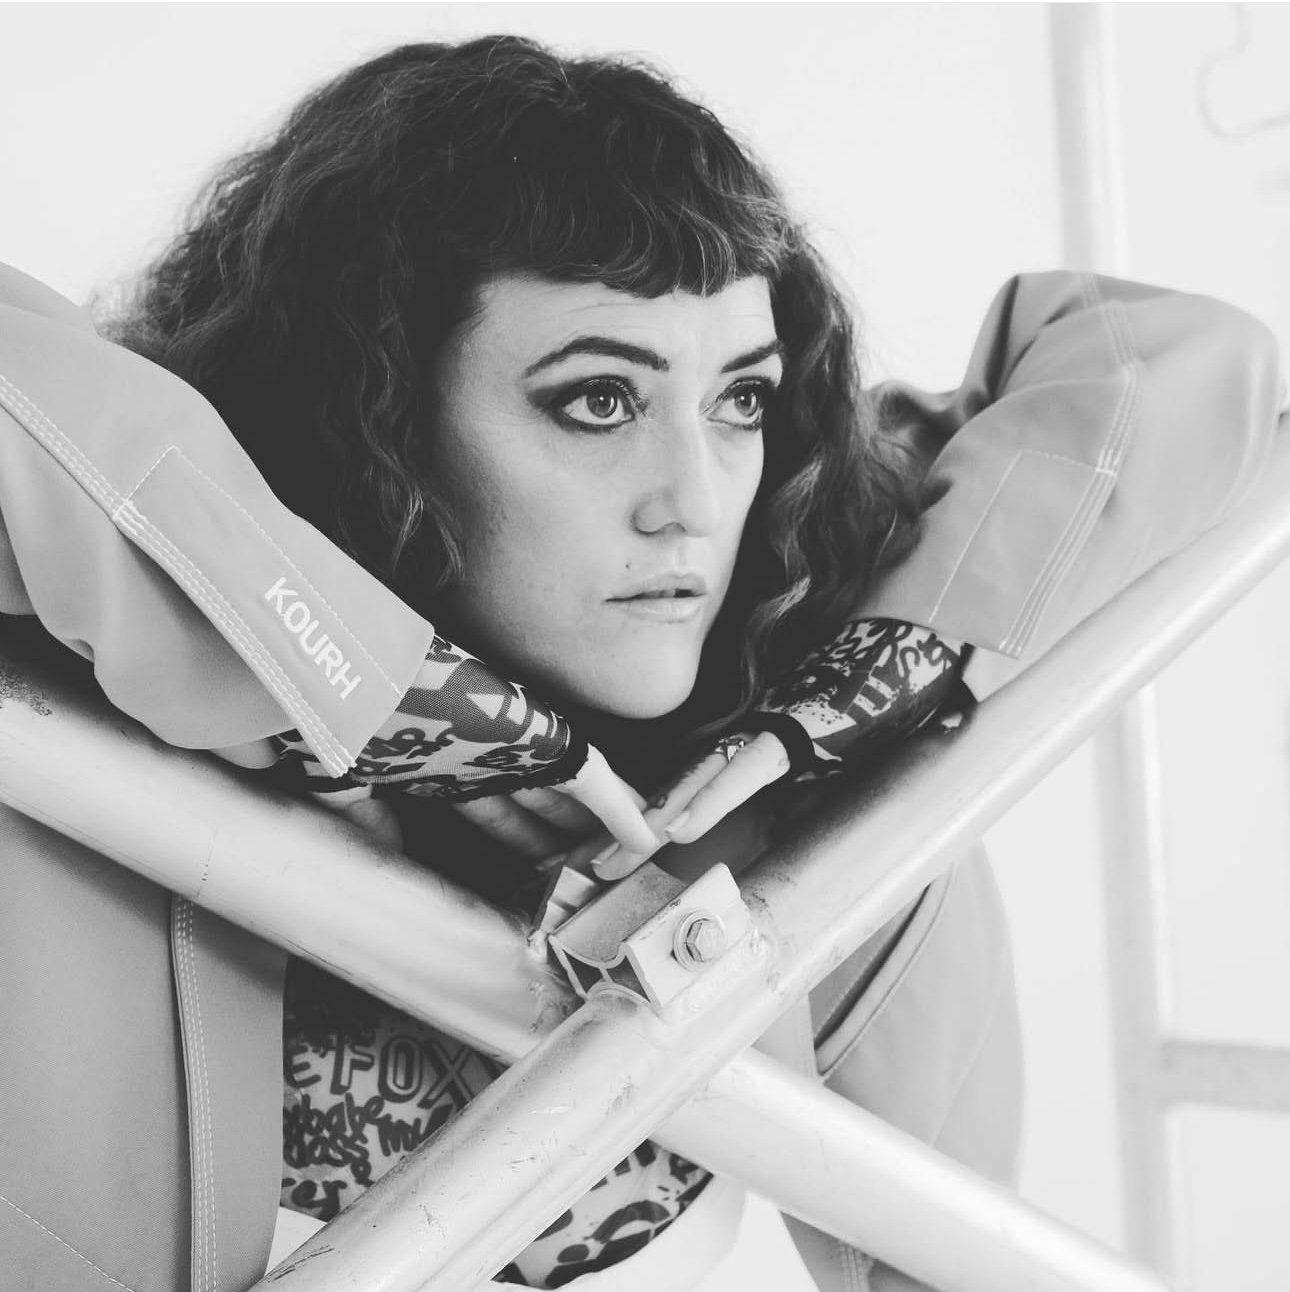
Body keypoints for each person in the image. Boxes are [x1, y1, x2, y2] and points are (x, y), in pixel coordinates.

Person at [0, 33, 1282, 1292]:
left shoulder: (807, 692)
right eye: (598, 400)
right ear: (368, 414)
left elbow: (1169, 360)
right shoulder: (75, 761)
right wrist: (379, 691)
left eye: (741, 398)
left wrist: (836, 709)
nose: (694, 502)